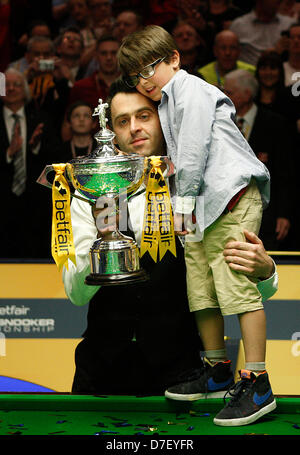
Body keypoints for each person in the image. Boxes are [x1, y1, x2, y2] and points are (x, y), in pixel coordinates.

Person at [62, 79, 278, 398]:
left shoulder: (201, 188)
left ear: (164, 118)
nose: (134, 128)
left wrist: (264, 271)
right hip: (101, 374)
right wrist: (101, 242)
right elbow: (76, 294)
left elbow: (238, 282)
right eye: (123, 121)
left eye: (144, 115)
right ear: (112, 131)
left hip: (182, 377)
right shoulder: (89, 191)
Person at [117, 25, 275, 427]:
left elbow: (191, 154)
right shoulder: (168, 100)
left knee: (236, 284)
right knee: (200, 288)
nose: (144, 80)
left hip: (230, 197)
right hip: (200, 205)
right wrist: (185, 207)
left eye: (149, 68)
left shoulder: (192, 92)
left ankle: (257, 381)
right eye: (135, 75)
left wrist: (181, 209)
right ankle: (217, 369)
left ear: (174, 58)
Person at [224, 68, 297, 251]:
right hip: (227, 215)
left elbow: (285, 173)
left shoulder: (276, 124)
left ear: (247, 94)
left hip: (267, 216)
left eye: (229, 92)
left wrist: (284, 214)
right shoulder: (220, 122)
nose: (224, 96)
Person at [0, 68, 61, 258]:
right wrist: (8, 154)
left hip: (35, 204)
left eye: (17, 84)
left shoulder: (41, 118)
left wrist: (35, 148)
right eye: (6, 85)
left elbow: (57, 155)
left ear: (25, 90)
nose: (11, 88)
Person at [229, 0, 295, 65]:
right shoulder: (238, 26)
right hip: (247, 72)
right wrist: (275, 51)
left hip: (283, 73)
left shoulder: (290, 25)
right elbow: (228, 54)